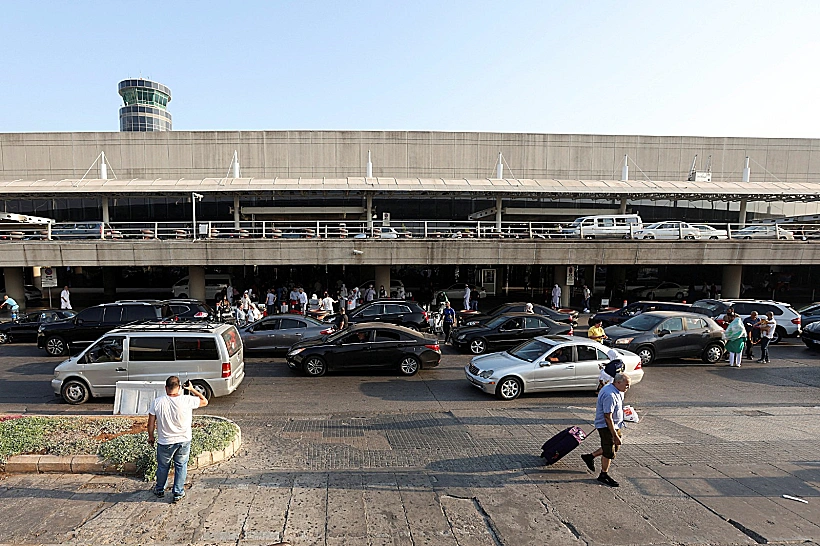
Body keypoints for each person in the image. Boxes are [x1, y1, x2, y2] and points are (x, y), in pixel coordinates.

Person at [147, 376, 208, 503]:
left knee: (163, 467)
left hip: (165, 441)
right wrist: (192, 389)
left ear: (165, 388)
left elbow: (151, 423)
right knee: (181, 466)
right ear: (179, 388)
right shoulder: (186, 400)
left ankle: (159, 489)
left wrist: (151, 436)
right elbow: (204, 401)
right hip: (184, 440)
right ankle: (178, 493)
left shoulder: (157, 402)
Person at [581, 372, 631, 487]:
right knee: (609, 451)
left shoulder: (617, 390)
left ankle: (590, 456)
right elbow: (607, 417)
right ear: (618, 383)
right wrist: (614, 435)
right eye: (626, 385)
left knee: (614, 446)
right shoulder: (610, 395)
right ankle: (603, 475)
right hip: (606, 426)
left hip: (615, 425)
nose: (628, 388)